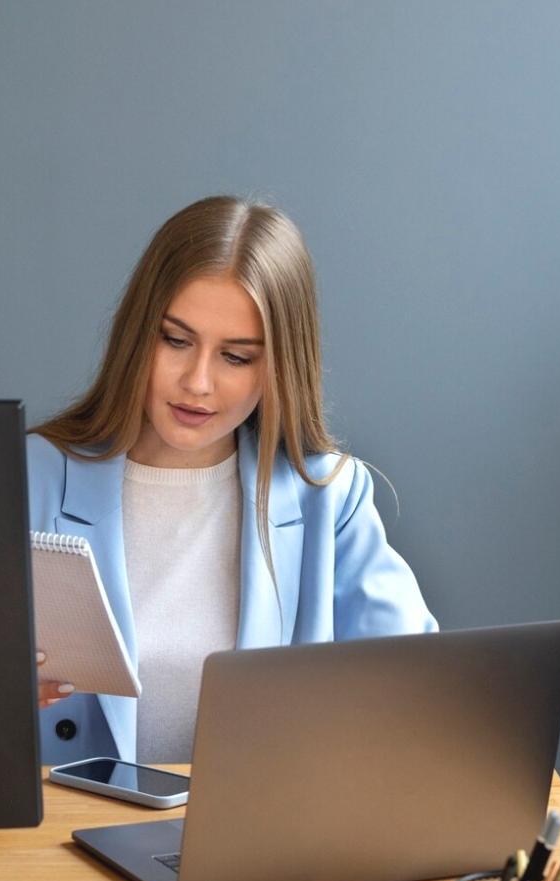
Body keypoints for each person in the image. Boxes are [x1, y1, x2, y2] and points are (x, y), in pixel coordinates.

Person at [26, 195, 436, 765]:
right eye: (175, 340)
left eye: (237, 357)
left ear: (280, 366)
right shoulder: (30, 479)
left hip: (261, 846)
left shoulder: (330, 499)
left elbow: (423, 700)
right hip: (49, 842)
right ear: (136, 335)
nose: (197, 382)